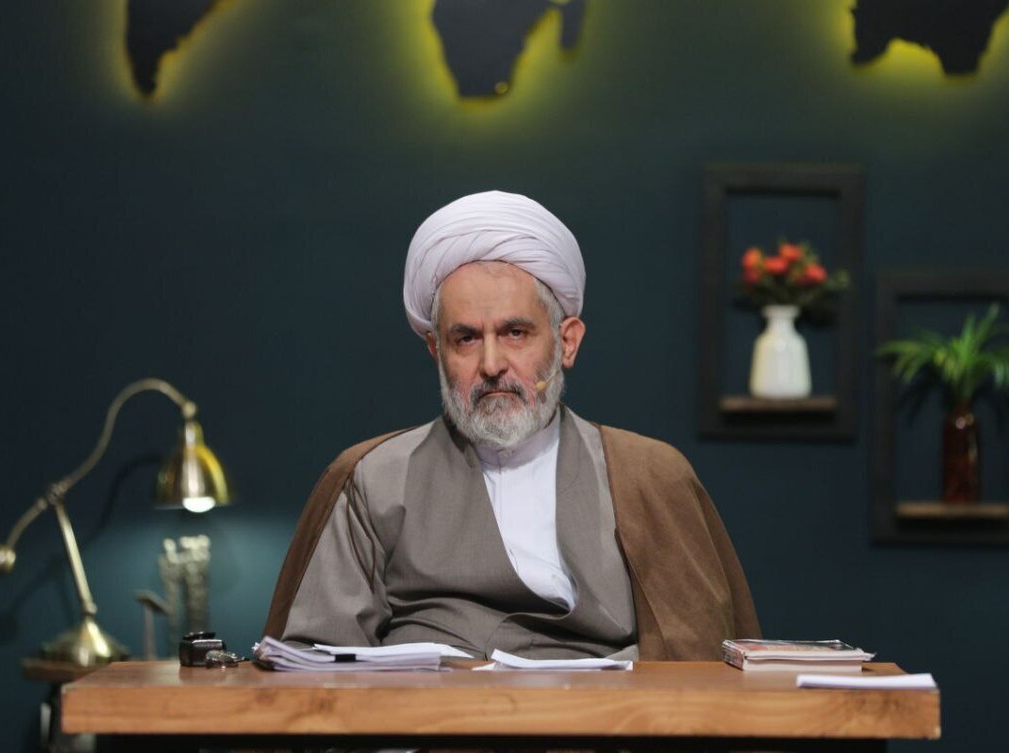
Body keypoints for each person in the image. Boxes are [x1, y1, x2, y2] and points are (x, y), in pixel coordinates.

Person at [264, 191, 758, 660]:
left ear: (567, 342)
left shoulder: (648, 475)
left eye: (515, 333)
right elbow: (318, 663)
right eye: (465, 339)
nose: (491, 364)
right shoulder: (374, 478)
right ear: (436, 351)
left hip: (600, 714)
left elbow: (694, 655)